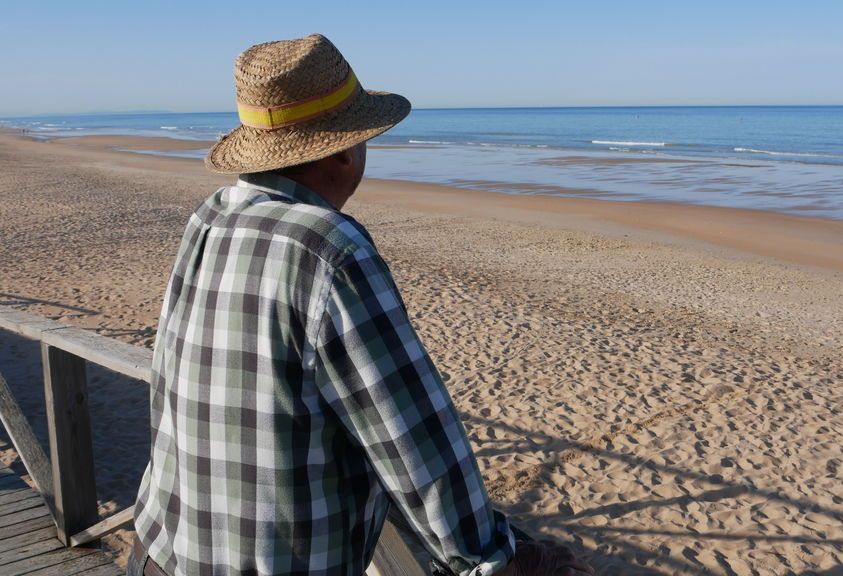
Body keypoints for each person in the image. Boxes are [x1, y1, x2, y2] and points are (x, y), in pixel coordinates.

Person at [129, 34, 593, 576]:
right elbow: (414, 440)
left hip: (161, 550)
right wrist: (491, 557)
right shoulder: (329, 248)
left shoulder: (211, 217)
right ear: (347, 149)